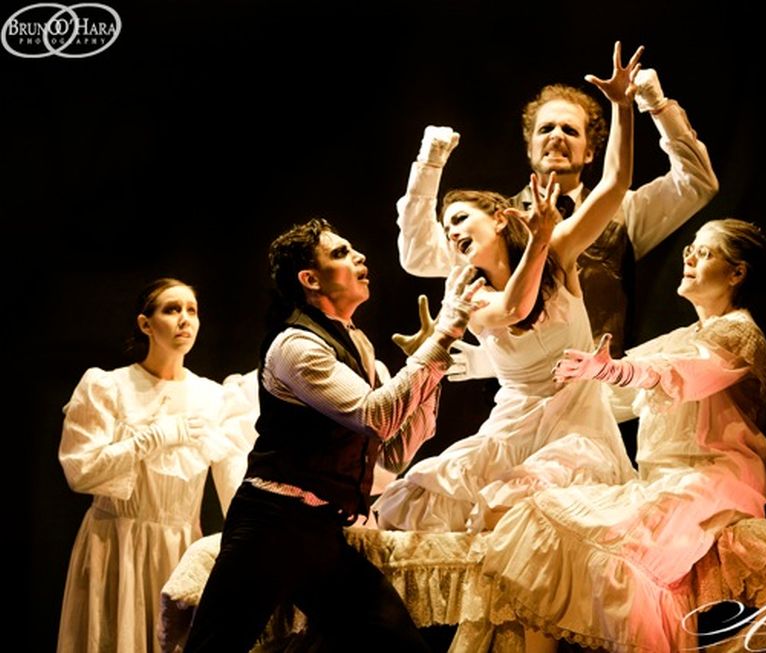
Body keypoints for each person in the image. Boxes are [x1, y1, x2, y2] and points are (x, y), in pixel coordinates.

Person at [482, 219, 766, 652]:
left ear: (737, 273)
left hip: (717, 483)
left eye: (705, 252)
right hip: (665, 483)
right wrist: (514, 372)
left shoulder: (738, 332)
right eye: (690, 248)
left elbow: (681, 373)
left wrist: (613, 370)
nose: (689, 256)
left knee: (614, 550)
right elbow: (611, 392)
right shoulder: (684, 336)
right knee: (543, 517)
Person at [183, 219, 484, 652]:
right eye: (341, 253)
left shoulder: (358, 344)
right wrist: (440, 338)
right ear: (310, 279)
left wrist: (432, 368)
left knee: (399, 644)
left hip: (320, 531)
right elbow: (376, 416)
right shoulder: (296, 346)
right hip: (270, 525)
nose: (360, 256)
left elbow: (393, 453)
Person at [376, 43, 641, 533]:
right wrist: (539, 240)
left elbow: (615, 184)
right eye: (447, 227)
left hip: (578, 427)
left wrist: (623, 106)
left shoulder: (557, 250)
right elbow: (515, 309)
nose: (452, 232)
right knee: (425, 497)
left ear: (499, 219)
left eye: (460, 218)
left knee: (538, 506)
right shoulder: (466, 290)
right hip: (514, 425)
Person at [397, 54, 718, 363]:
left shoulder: (624, 211)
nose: (556, 136)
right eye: (546, 128)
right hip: (530, 385)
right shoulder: (496, 225)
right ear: (530, 147)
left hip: (607, 384)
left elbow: (697, 182)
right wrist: (428, 164)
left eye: (570, 130)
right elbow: (420, 255)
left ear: (590, 151)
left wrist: (657, 106)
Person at [57, 278, 254, 653]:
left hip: (180, 547)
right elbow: (81, 471)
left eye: (192, 310)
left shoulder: (214, 397)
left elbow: (233, 483)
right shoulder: (109, 387)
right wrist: (152, 437)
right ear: (145, 324)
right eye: (172, 309)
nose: (185, 319)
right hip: (115, 543)